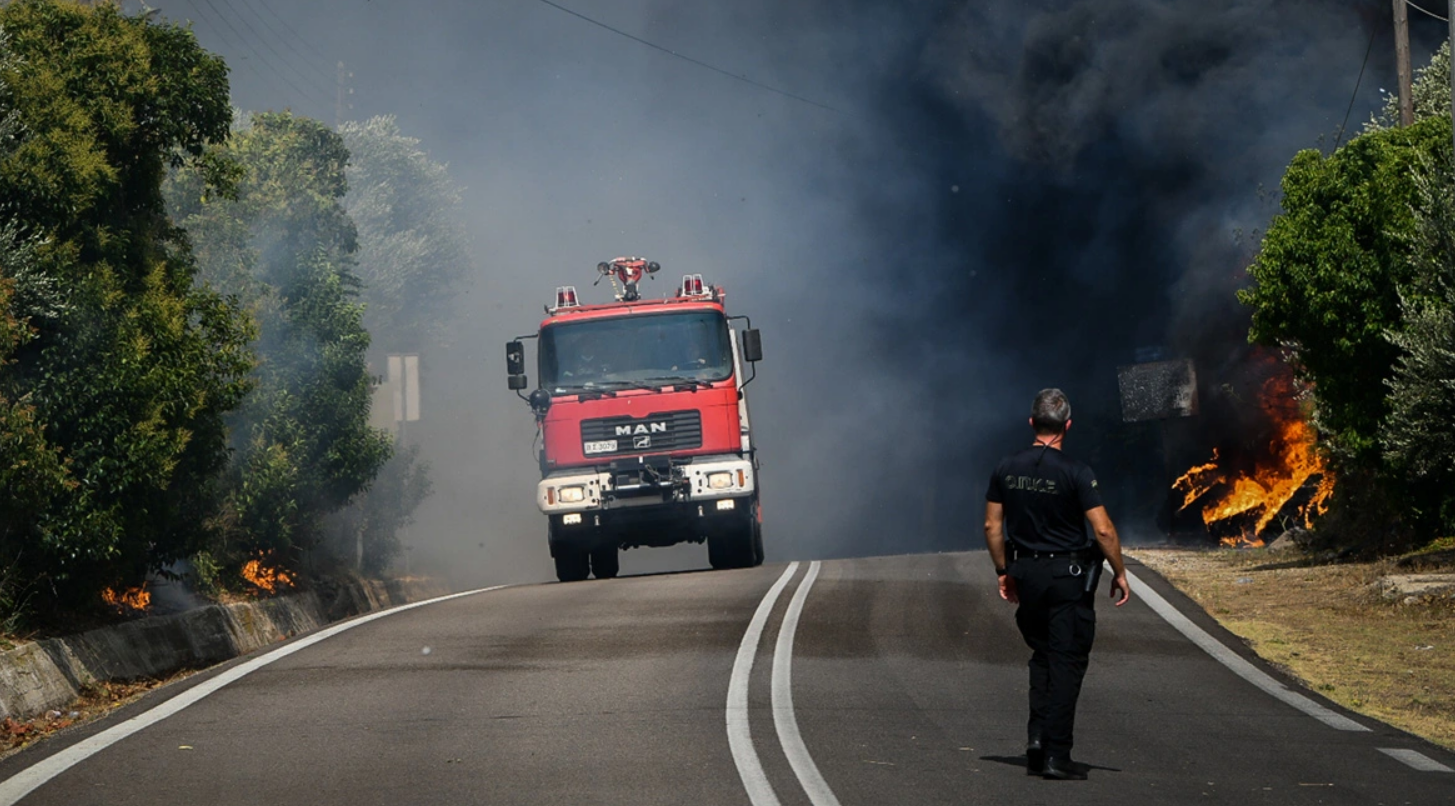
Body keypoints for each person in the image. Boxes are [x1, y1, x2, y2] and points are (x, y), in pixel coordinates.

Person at [983, 388, 1130, 780]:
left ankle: (1036, 739)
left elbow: (991, 525)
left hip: (1026, 574)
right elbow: (1102, 529)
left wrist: (1003, 570)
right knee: (1067, 662)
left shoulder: (1005, 467)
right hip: (1068, 578)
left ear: (1032, 423)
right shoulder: (1077, 472)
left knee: (1043, 655)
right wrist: (1119, 571)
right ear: (1067, 425)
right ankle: (1056, 755)